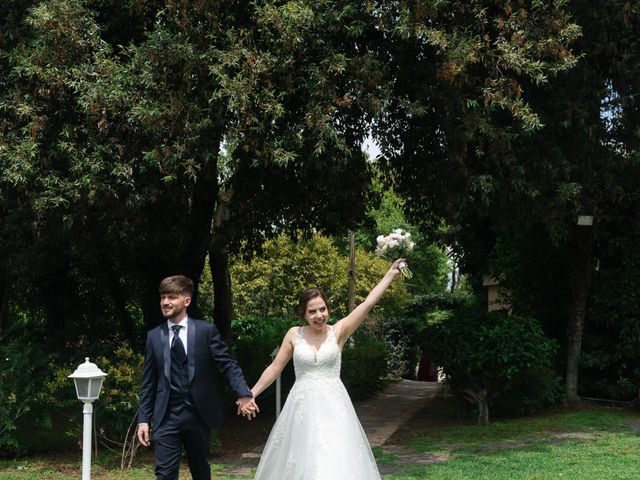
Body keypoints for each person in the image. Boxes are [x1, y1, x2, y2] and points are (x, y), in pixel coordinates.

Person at [249, 259, 405, 480]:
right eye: (312, 311)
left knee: (333, 461)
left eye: (322, 309)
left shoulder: (339, 331)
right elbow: (275, 368)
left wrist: (390, 274)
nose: (319, 315)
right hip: (300, 410)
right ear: (303, 314)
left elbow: (368, 303)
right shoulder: (294, 334)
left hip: (335, 409)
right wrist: (251, 393)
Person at [137, 275, 258, 480]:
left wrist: (244, 393)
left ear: (186, 301)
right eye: (163, 297)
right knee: (164, 475)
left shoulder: (205, 331)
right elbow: (149, 382)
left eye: (172, 297)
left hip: (198, 415)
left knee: (200, 470)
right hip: (166, 416)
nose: (165, 302)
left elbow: (228, 365)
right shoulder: (154, 336)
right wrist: (143, 420)